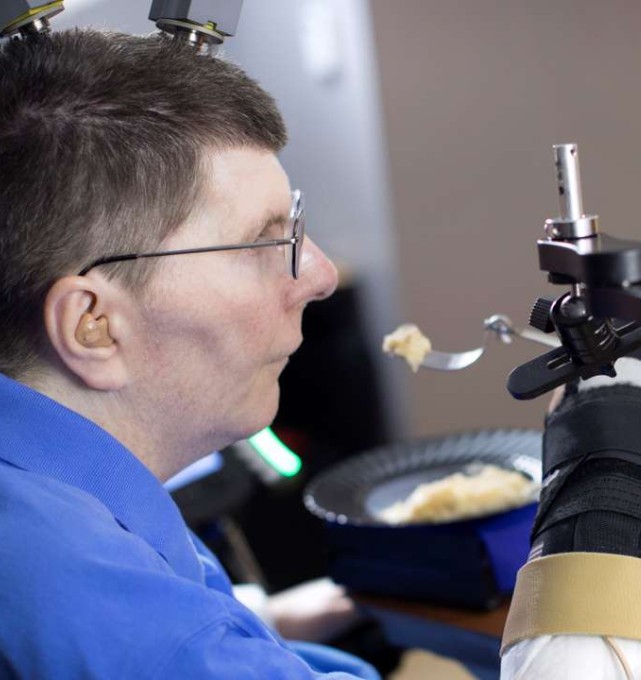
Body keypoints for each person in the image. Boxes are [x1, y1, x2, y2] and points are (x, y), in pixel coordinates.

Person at [0, 29, 374, 678]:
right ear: (93, 325)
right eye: (264, 242)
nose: (318, 276)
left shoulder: (54, 502)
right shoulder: (79, 588)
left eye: (296, 225)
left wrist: (263, 621)